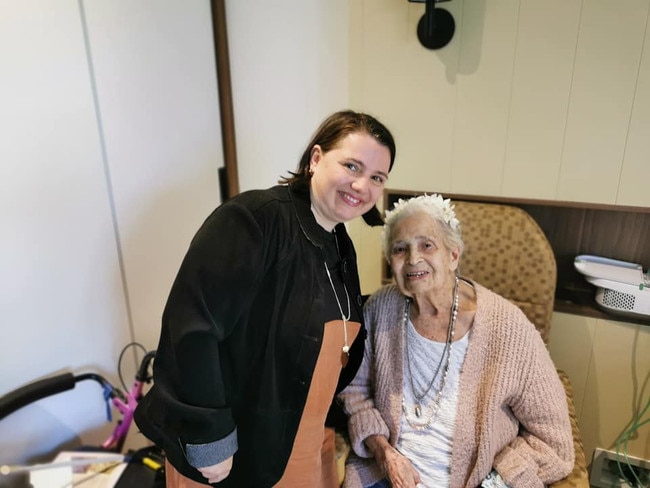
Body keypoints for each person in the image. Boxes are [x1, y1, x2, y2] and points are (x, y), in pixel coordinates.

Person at [133, 110, 397, 487]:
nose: (362, 185)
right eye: (351, 165)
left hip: (295, 440)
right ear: (316, 158)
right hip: (234, 450)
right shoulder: (255, 219)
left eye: (376, 178)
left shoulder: (339, 244)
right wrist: (210, 439)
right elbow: (191, 327)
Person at [338, 194, 574, 488]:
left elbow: (554, 442)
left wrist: (497, 480)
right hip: (385, 477)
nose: (413, 259)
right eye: (400, 249)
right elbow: (355, 391)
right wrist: (384, 453)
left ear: (453, 255)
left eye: (427, 245)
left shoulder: (509, 328)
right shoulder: (379, 309)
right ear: (390, 262)